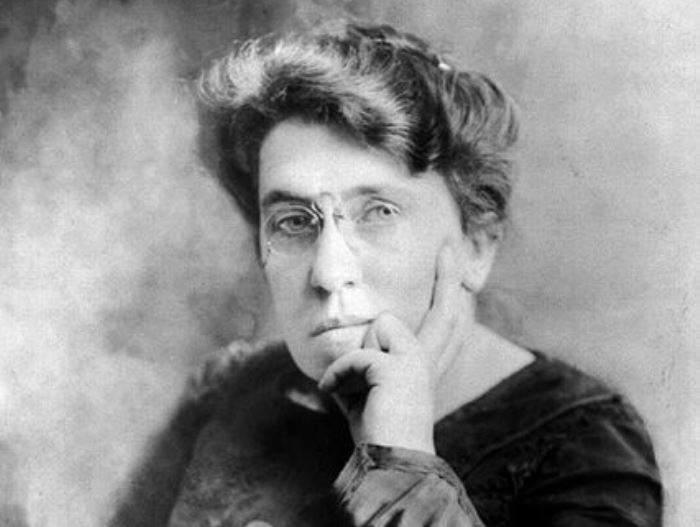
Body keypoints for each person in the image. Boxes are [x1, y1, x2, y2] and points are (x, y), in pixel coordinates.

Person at [111, 22, 662, 527]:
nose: (329, 273)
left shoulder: (584, 445)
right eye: (293, 221)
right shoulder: (230, 391)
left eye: (378, 212)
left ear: (476, 246)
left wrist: (402, 464)